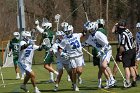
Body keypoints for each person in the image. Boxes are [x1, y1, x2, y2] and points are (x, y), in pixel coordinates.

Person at [82, 21, 116, 89]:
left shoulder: (99, 34)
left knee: (104, 65)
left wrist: (102, 51)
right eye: (89, 30)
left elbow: (107, 44)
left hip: (107, 50)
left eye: (91, 29)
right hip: (101, 52)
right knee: (102, 68)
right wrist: (79, 46)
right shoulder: (91, 36)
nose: (90, 31)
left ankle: (112, 79)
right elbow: (85, 43)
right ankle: (109, 81)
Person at [58, 25, 85, 91]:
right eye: (66, 32)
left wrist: (85, 27)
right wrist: (62, 53)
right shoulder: (65, 39)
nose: (67, 33)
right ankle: (74, 85)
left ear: (72, 30)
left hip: (79, 56)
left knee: (79, 71)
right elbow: (59, 48)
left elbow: (83, 33)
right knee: (74, 71)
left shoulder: (76, 35)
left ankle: (78, 77)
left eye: (68, 31)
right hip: (72, 57)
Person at [113, 20, 137, 87]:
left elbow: (122, 46)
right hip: (133, 50)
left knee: (126, 67)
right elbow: (133, 39)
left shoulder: (123, 34)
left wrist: (120, 54)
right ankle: (134, 81)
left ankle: (128, 82)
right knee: (132, 66)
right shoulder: (128, 31)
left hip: (127, 51)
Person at [92, 19, 108, 88]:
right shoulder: (103, 31)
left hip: (95, 51)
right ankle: (109, 81)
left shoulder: (95, 31)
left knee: (101, 68)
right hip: (101, 51)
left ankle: (99, 83)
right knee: (104, 68)